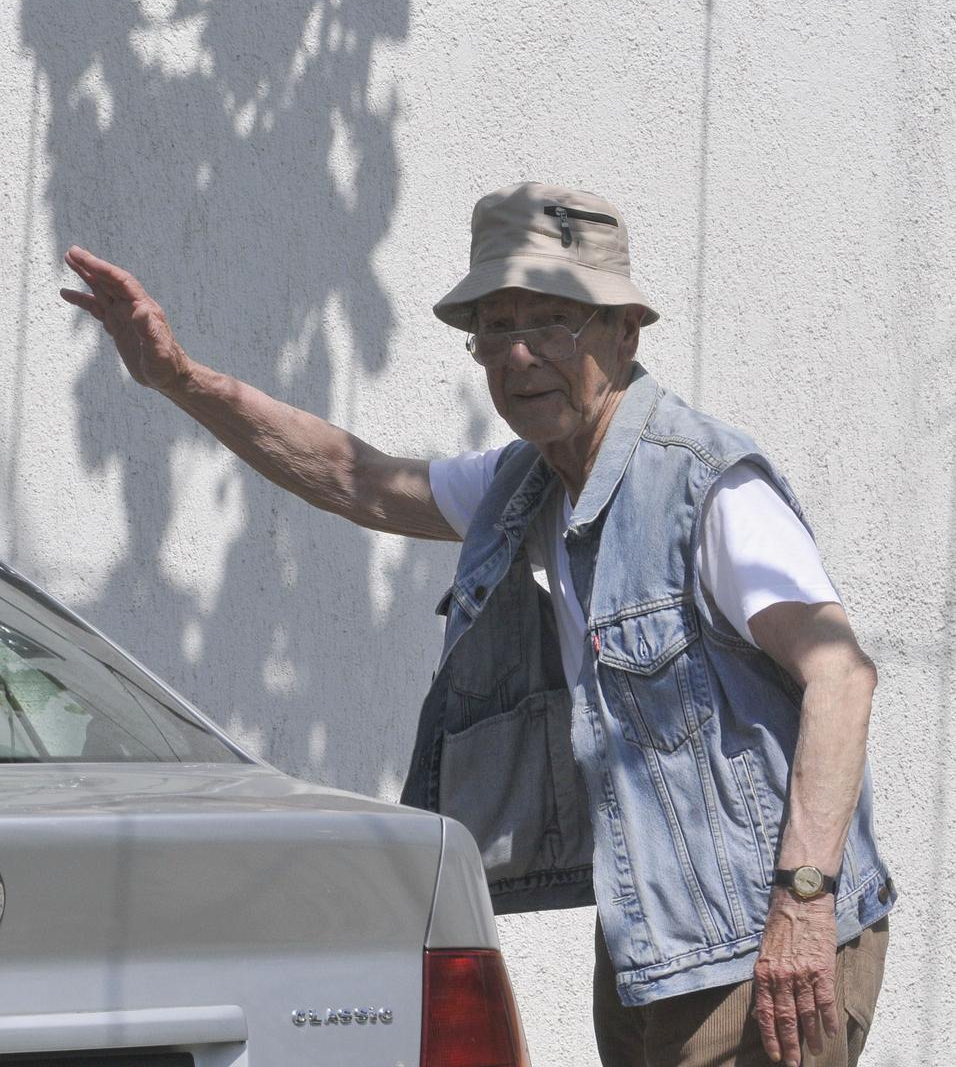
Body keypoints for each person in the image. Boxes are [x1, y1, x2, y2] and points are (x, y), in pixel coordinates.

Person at [60, 181, 894, 1066]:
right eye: (495, 327)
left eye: (553, 322)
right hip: (655, 936)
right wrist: (182, 380)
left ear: (625, 332)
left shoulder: (705, 485)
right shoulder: (531, 482)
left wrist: (803, 905)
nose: (519, 354)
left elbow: (841, 677)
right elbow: (357, 480)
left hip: (767, 939)